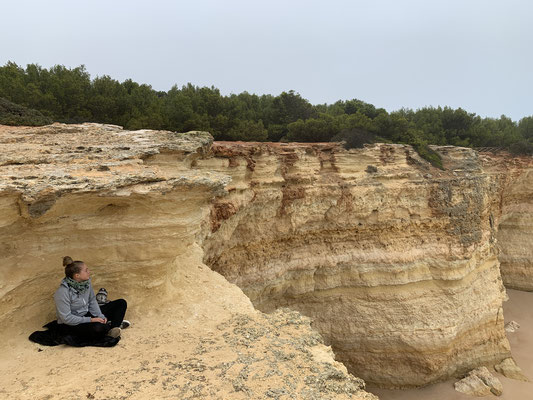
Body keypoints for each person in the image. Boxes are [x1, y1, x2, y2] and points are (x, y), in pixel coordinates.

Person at [54, 256, 128, 340]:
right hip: (72, 324)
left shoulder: (86, 283)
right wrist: (92, 320)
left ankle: (114, 328)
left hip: (87, 314)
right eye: (86, 270)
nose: (89, 272)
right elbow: (67, 319)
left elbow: (92, 300)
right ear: (77, 275)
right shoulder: (62, 292)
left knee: (121, 303)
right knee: (98, 328)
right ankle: (110, 326)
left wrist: (100, 316)